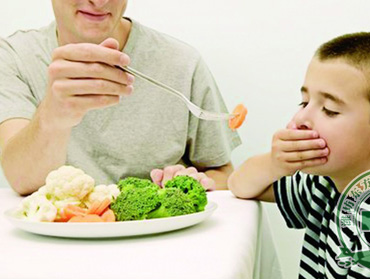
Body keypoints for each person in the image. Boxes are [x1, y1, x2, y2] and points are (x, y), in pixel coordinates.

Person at [228, 32, 370, 278]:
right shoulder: (327, 182)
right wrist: (274, 163)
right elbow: (241, 185)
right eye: (304, 102)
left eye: (330, 110)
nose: (300, 119)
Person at [0, 0, 241, 195]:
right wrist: (52, 116)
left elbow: (223, 174)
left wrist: (192, 184)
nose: (100, 1)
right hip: (56, 244)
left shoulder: (182, 63)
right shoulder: (14, 57)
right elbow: (21, 180)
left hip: (163, 240)